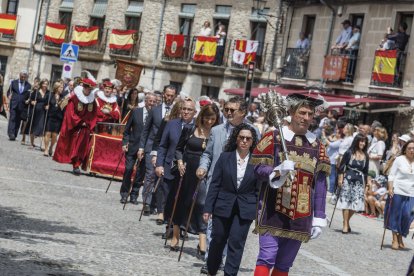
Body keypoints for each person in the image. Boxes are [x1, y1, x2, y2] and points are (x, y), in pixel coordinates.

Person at [251, 93, 330, 276]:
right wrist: (276, 171)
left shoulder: (317, 145)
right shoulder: (275, 137)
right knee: (267, 257)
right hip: (273, 209)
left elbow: (320, 185)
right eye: (302, 113)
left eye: (310, 114)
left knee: (285, 264)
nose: (306, 118)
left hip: (302, 214)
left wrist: (319, 216)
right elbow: (257, 168)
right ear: (291, 112)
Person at [196, 96, 260, 274]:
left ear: (243, 112)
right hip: (219, 192)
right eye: (226, 109)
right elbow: (207, 154)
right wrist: (202, 167)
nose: (228, 113)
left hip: (243, 197)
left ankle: (225, 268)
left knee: (236, 241)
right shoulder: (216, 131)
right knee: (216, 236)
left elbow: (260, 164)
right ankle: (212, 264)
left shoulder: (253, 131)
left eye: (233, 110)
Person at [174, 104, 219, 256]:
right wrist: (180, 163)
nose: (209, 122)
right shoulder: (190, 129)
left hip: (203, 172)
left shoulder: (217, 133)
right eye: (207, 118)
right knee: (183, 201)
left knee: (201, 204)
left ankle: (202, 241)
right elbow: (179, 149)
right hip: (187, 170)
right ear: (202, 116)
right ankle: (175, 234)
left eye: (213, 119)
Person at [155, 98, 197, 249]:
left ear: (195, 112)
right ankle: (170, 226)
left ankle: (178, 228)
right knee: (169, 199)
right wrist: (159, 164)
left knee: (184, 200)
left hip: (187, 169)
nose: (186, 112)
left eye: (189, 110)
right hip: (169, 167)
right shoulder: (172, 124)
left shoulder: (197, 128)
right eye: (184, 109)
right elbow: (163, 145)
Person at [138, 85, 177, 216]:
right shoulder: (155, 110)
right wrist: (141, 147)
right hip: (151, 146)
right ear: (163, 95)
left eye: (172, 95)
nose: (169, 97)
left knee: (161, 177)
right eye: (167, 95)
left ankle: (156, 203)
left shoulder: (177, 112)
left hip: (166, 149)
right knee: (150, 174)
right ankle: (147, 203)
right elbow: (146, 130)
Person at [53, 78, 98, 175]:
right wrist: (80, 121)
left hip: (85, 127)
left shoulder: (92, 100)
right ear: (84, 87)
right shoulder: (75, 97)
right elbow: (70, 112)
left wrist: (89, 123)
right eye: (87, 89)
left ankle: (78, 164)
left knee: (82, 147)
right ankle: (75, 164)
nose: (89, 91)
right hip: (75, 126)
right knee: (73, 146)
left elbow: (94, 113)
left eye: (90, 89)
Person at [120, 93, 157, 205]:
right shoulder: (136, 112)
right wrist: (125, 142)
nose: (151, 103)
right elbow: (126, 130)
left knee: (140, 174)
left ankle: (134, 195)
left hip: (146, 148)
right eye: (150, 101)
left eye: (154, 101)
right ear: (145, 101)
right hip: (132, 146)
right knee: (128, 169)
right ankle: (124, 193)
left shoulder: (155, 115)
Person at [337, 134, 369, 233]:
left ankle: (346, 221)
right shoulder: (349, 152)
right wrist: (340, 179)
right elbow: (342, 166)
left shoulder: (366, 156)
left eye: (364, 142)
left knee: (356, 204)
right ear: (357, 141)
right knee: (346, 202)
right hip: (348, 179)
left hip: (359, 181)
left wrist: (366, 185)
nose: (363, 143)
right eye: (361, 141)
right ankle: (345, 225)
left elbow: (366, 172)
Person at [385, 140, 414, 250]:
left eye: (413, 148)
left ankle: (401, 236)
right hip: (398, 191)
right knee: (395, 215)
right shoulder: (399, 160)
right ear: (405, 149)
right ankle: (395, 239)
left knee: (407, 216)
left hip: (411, 193)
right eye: (409, 148)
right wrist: (390, 188)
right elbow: (391, 175)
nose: (412, 150)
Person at [24, 79, 50, 148]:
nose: (45, 85)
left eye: (46, 84)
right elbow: (30, 99)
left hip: (43, 111)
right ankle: (32, 143)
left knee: (41, 127)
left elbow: (50, 102)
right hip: (35, 111)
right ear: (41, 84)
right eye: (44, 83)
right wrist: (32, 102)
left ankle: (43, 145)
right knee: (33, 126)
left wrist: (48, 106)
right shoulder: (36, 92)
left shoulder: (48, 93)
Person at [7, 70, 31, 141]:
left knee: (18, 120)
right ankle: (11, 134)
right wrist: (9, 96)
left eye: (24, 77)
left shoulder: (28, 85)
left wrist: (28, 100)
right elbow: (9, 92)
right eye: (22, 76)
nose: (23, 78)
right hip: (14, 103)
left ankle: (15, 133)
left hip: (22, 105)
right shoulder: (13, 83)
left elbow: (29, 96)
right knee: (12, 118)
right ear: (19, 75)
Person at [43, 81, 65, 157]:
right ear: (56, 88)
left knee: (55, 135)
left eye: (62, 87)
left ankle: (51, 147)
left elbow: (64, 108)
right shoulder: (50, 95)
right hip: (50, 116)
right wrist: (46, 107)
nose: (62, 89)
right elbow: (44, 103)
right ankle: (46, 149)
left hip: (58, 118)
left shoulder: (63, 97)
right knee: (48, 133)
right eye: (60, 87)